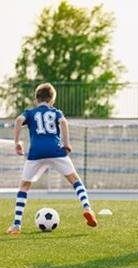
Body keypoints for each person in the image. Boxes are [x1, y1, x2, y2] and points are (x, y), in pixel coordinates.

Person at [7, 83, 97, 235]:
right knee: (75, 180)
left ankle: (16, 225)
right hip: (56, 150)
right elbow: (63, 122)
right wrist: (67, 143)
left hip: (36, 153)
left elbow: (17, 121)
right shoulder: (56, 112)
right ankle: (87, 208)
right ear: (52, 100)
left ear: (36, 99)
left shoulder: (30, 112)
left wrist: (17, 143)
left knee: (24, 187)